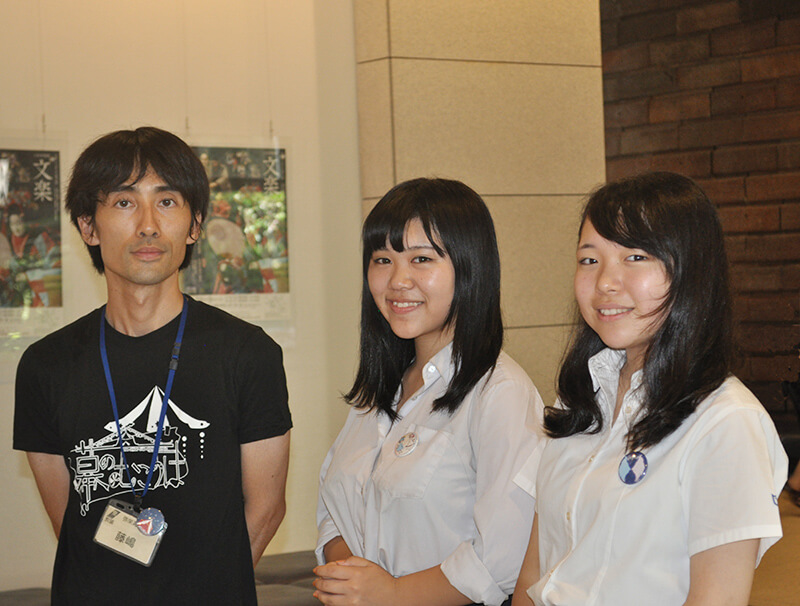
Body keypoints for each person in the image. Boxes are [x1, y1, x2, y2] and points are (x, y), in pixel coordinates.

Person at [13, 127, 292, 605]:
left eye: (167, 202)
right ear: (88, 226)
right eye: (124, 203)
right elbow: (71, 517)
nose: (147, 225)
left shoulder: (248, 353)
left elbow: (266, 509)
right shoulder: (45, 366)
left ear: (194, 224)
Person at [512, 172, 788, 606]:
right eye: (589, 260)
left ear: (690, 269)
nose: (605, 281)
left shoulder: (727, 421)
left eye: (636, 257)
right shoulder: (581, 397)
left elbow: (715, 598)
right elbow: (536, 571)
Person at [313, 178, 544, 606]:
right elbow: (334, 506)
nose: (398, 280)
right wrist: (354, 581)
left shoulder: (501, 392)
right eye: (382, 259)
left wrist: (394, 593)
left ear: (470, 267)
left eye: (422, 259)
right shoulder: (380, 390)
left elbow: (504, 560)